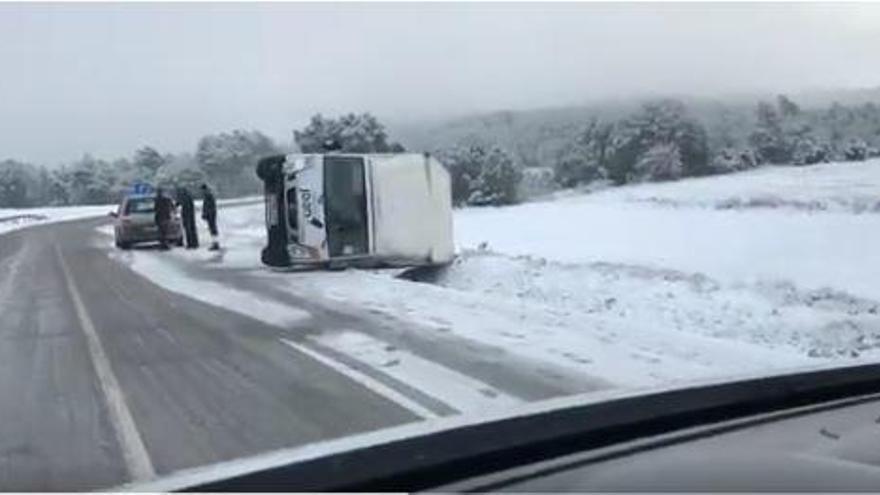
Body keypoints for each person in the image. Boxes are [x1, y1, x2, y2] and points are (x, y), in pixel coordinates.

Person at [200, 183, 220, 251]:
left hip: (211, 215)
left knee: (213, 229)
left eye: (202, 190)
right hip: (211, 215)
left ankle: (215, 243)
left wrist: (206, 214)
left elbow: (208, 207)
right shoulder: (208, 195)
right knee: (212, 229)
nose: (202, 192)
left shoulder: (208, 196)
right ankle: (215, 243)